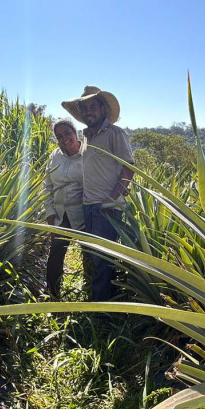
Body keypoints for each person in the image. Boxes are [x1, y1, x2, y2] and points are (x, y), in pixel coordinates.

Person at [61, 86, 134, 301]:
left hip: (107, 207)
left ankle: (100, 308)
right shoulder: (86, 138)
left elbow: (128, 167)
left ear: (103, 109)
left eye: (93, 106)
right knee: (95, 255)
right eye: (84, 108)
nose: (88, 111)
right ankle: (104, 299)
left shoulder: (114, 133)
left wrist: (112, 198)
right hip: (89, 205)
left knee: (102, 258)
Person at [43, 118, 84, 299]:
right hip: (60, 214)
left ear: (76, 134)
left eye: (67, 133)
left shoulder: (88, 154)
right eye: (59, 136)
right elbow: (47, 186)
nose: (64, 139)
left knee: (90, 255)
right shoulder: (55, 156)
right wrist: (49, 211)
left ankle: (92, 294)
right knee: (56, 253)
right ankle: (52, 294)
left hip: (83, 213)